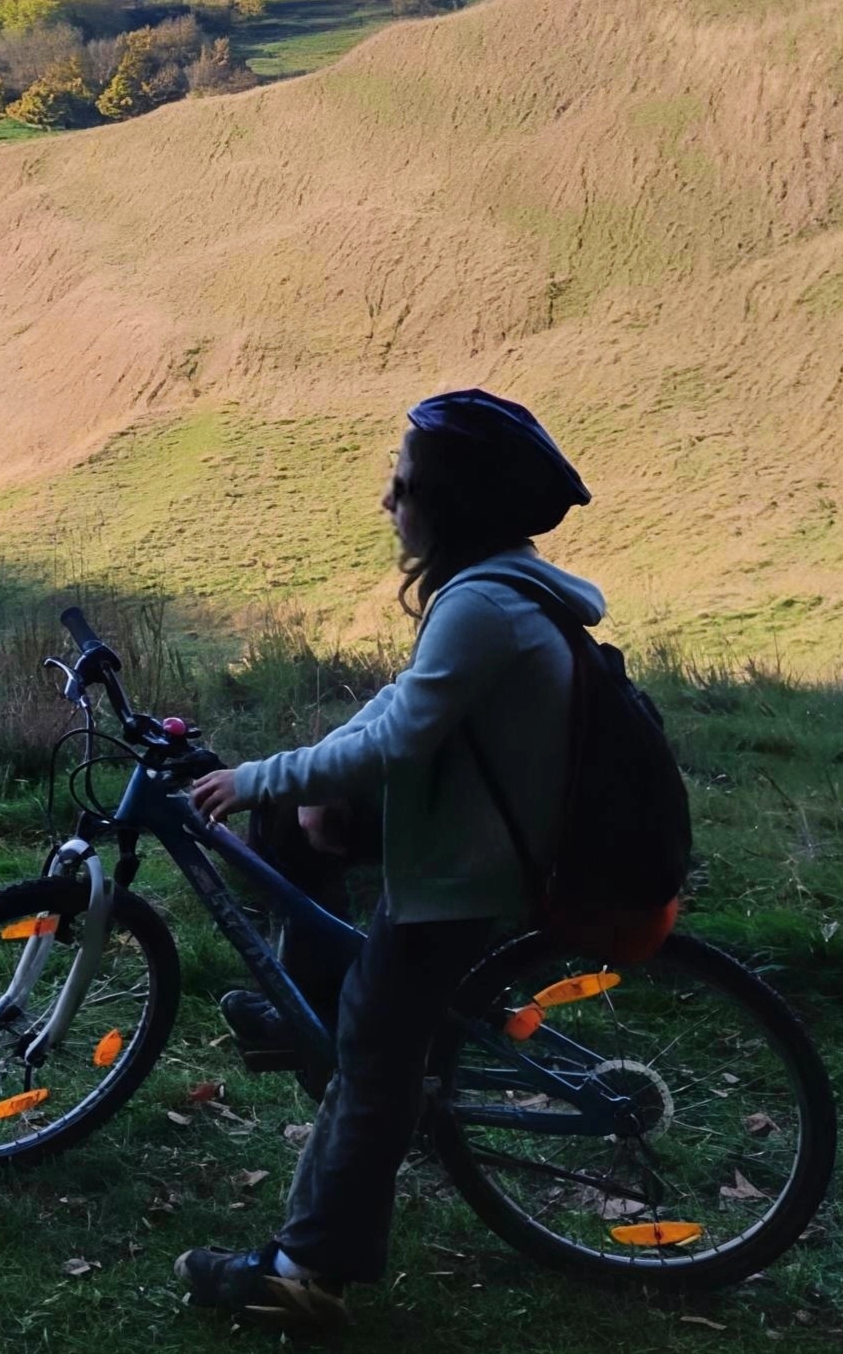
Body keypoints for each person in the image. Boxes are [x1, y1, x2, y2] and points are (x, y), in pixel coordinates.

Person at [172, 389, 602, 1325]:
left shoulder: (482, 606)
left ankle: (305, 1273)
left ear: (449, 504)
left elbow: (398, 740)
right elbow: (399, 707)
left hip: (462, 869)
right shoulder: (495, 587)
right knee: (290, 836)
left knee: (375, 1059)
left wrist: (257, 776)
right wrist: (300, 783)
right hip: (458, 836)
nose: (388, 503)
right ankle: (310, 1011)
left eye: (402, 487)